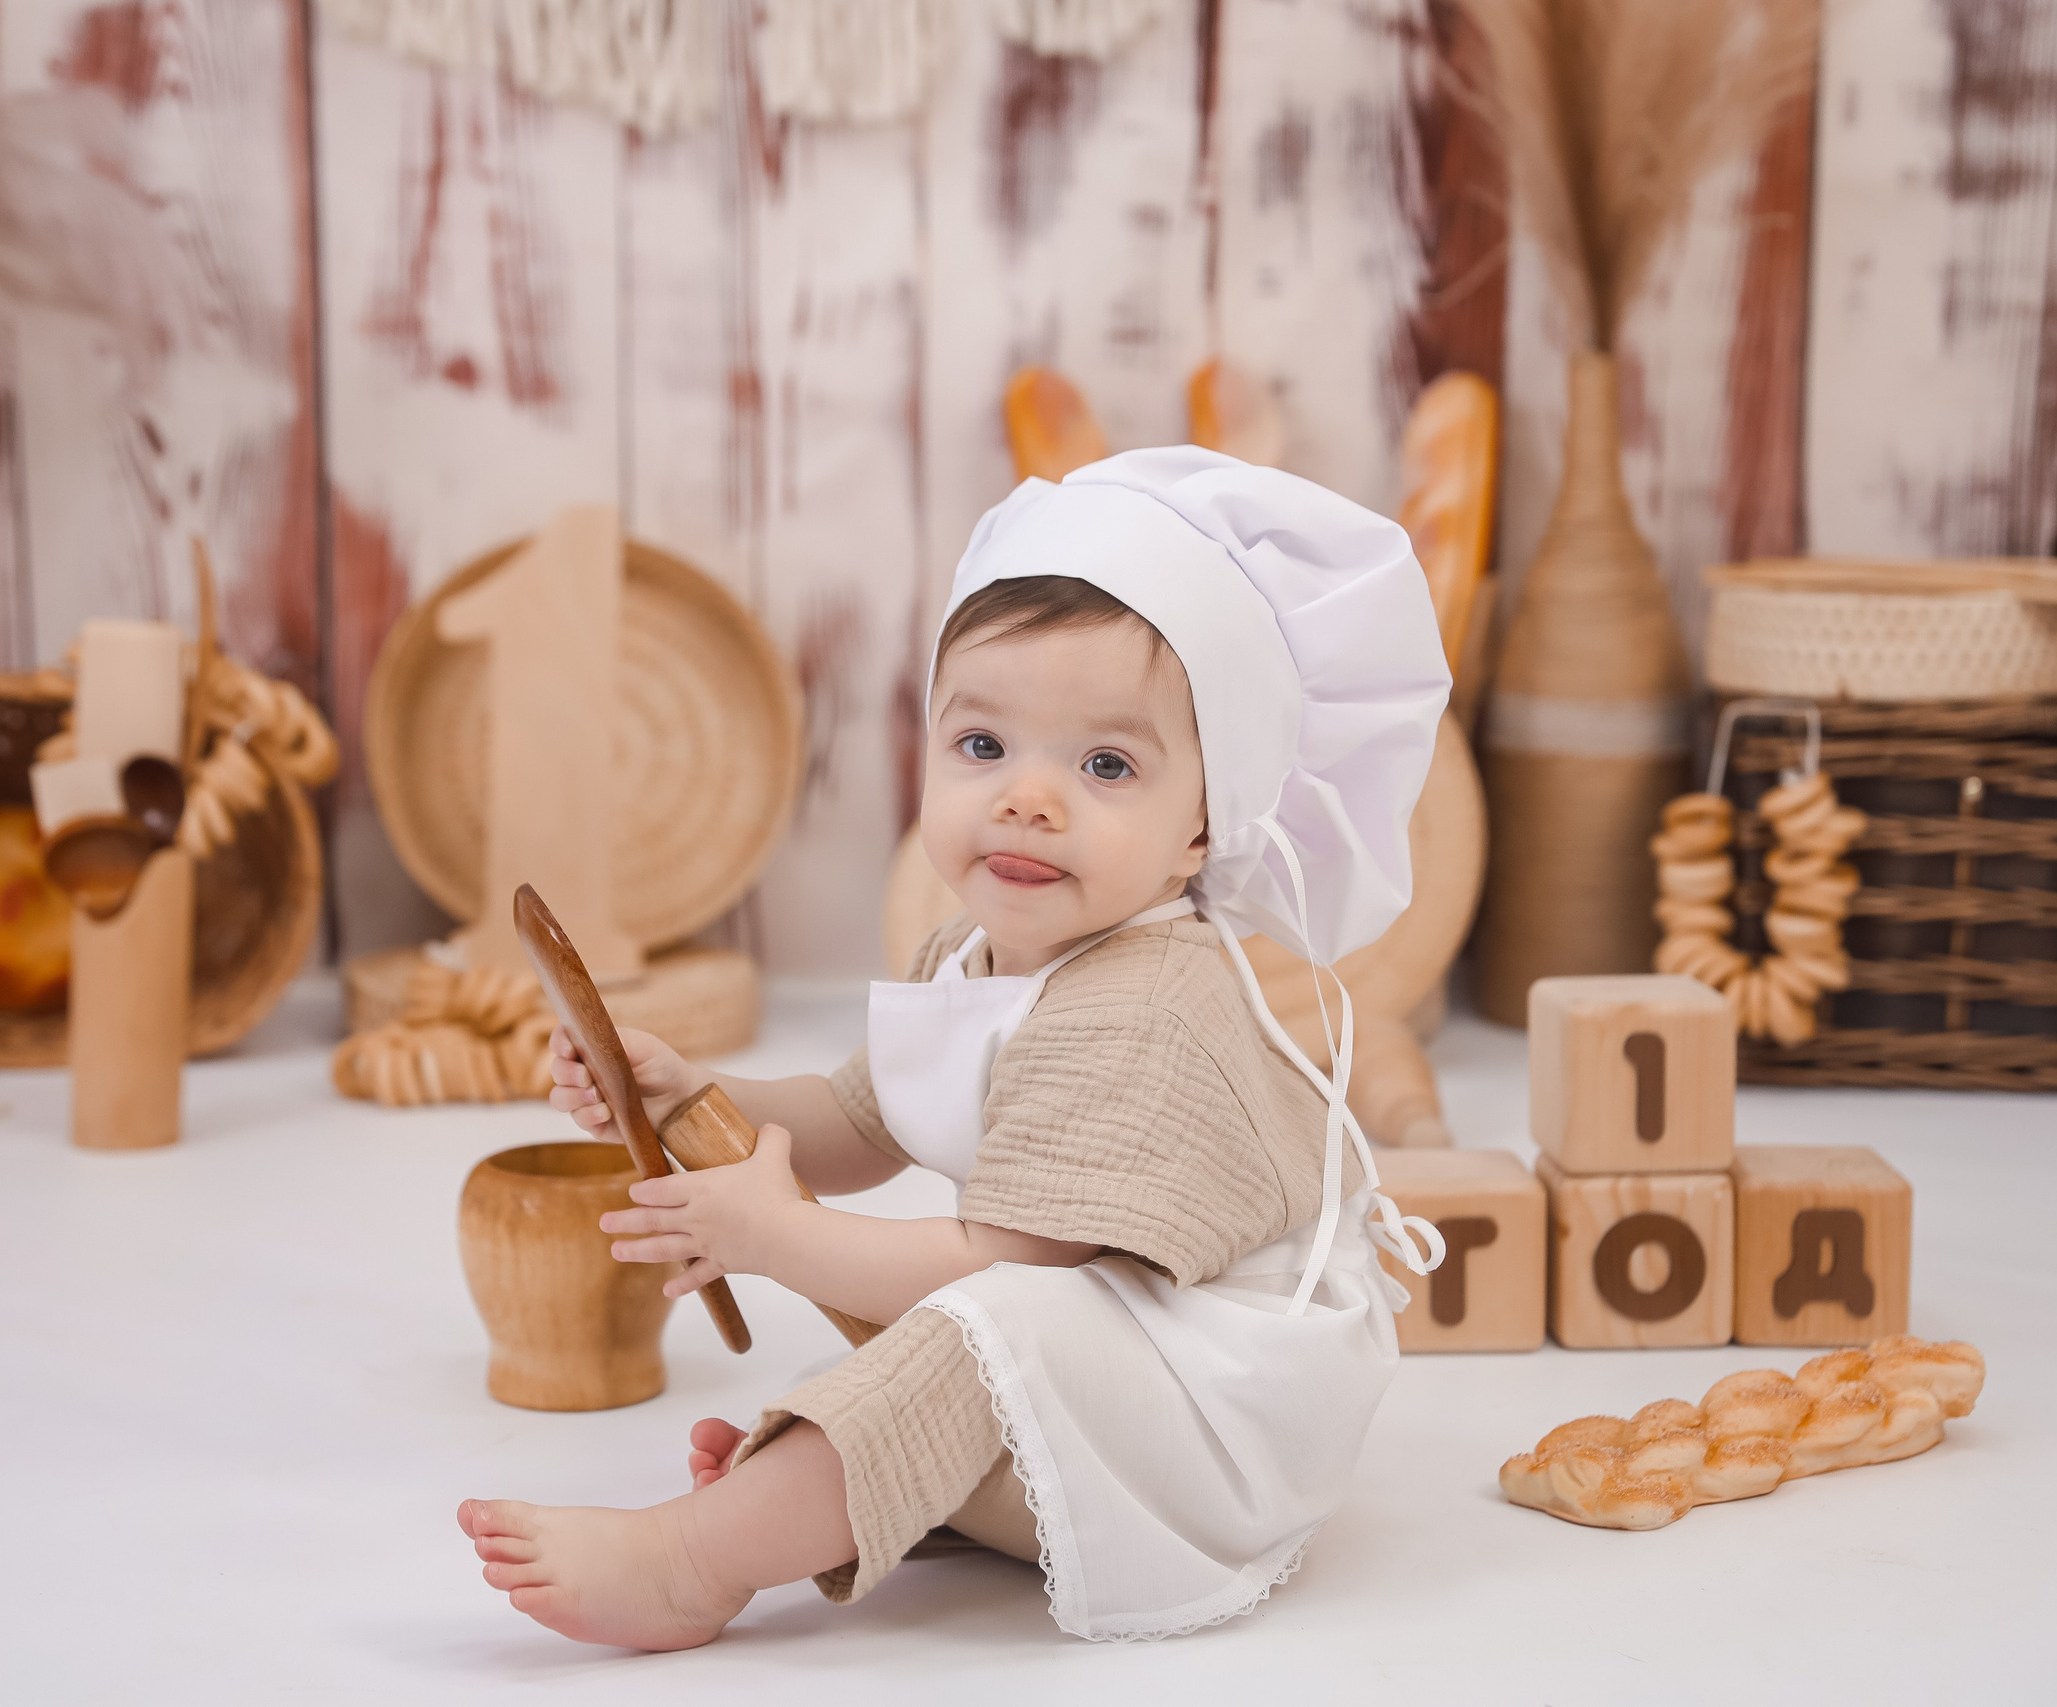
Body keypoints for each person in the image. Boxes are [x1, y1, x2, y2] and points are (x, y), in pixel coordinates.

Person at [458, 446, 1451, 1647]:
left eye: (1105, 765)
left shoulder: (1147, 1004)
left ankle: (696, 1559)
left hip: (1214, 1413)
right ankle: (863, 1489)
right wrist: (687, 1094)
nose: (1029, 798)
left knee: (986, 1329)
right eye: (983, 747)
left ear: (1203, 829)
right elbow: (855, 1122)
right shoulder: (968, 952)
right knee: (956, 1340)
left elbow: (1005, 1266)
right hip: (1101, 1346)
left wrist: (780, 1238)